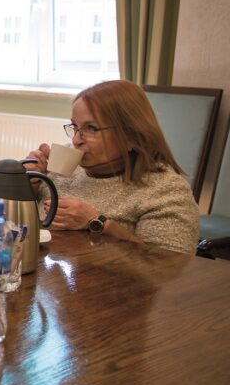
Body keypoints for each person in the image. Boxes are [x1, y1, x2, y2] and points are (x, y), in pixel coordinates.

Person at [24, 80, 199, 254]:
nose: (76, 140)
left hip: (116, 280)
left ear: (130, 136)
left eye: (91, 128)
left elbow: (170, 266)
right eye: (75, 127)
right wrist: (29, 184)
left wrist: (98, 223)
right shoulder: (64, 167)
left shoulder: (165, 191)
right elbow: (15, 226)